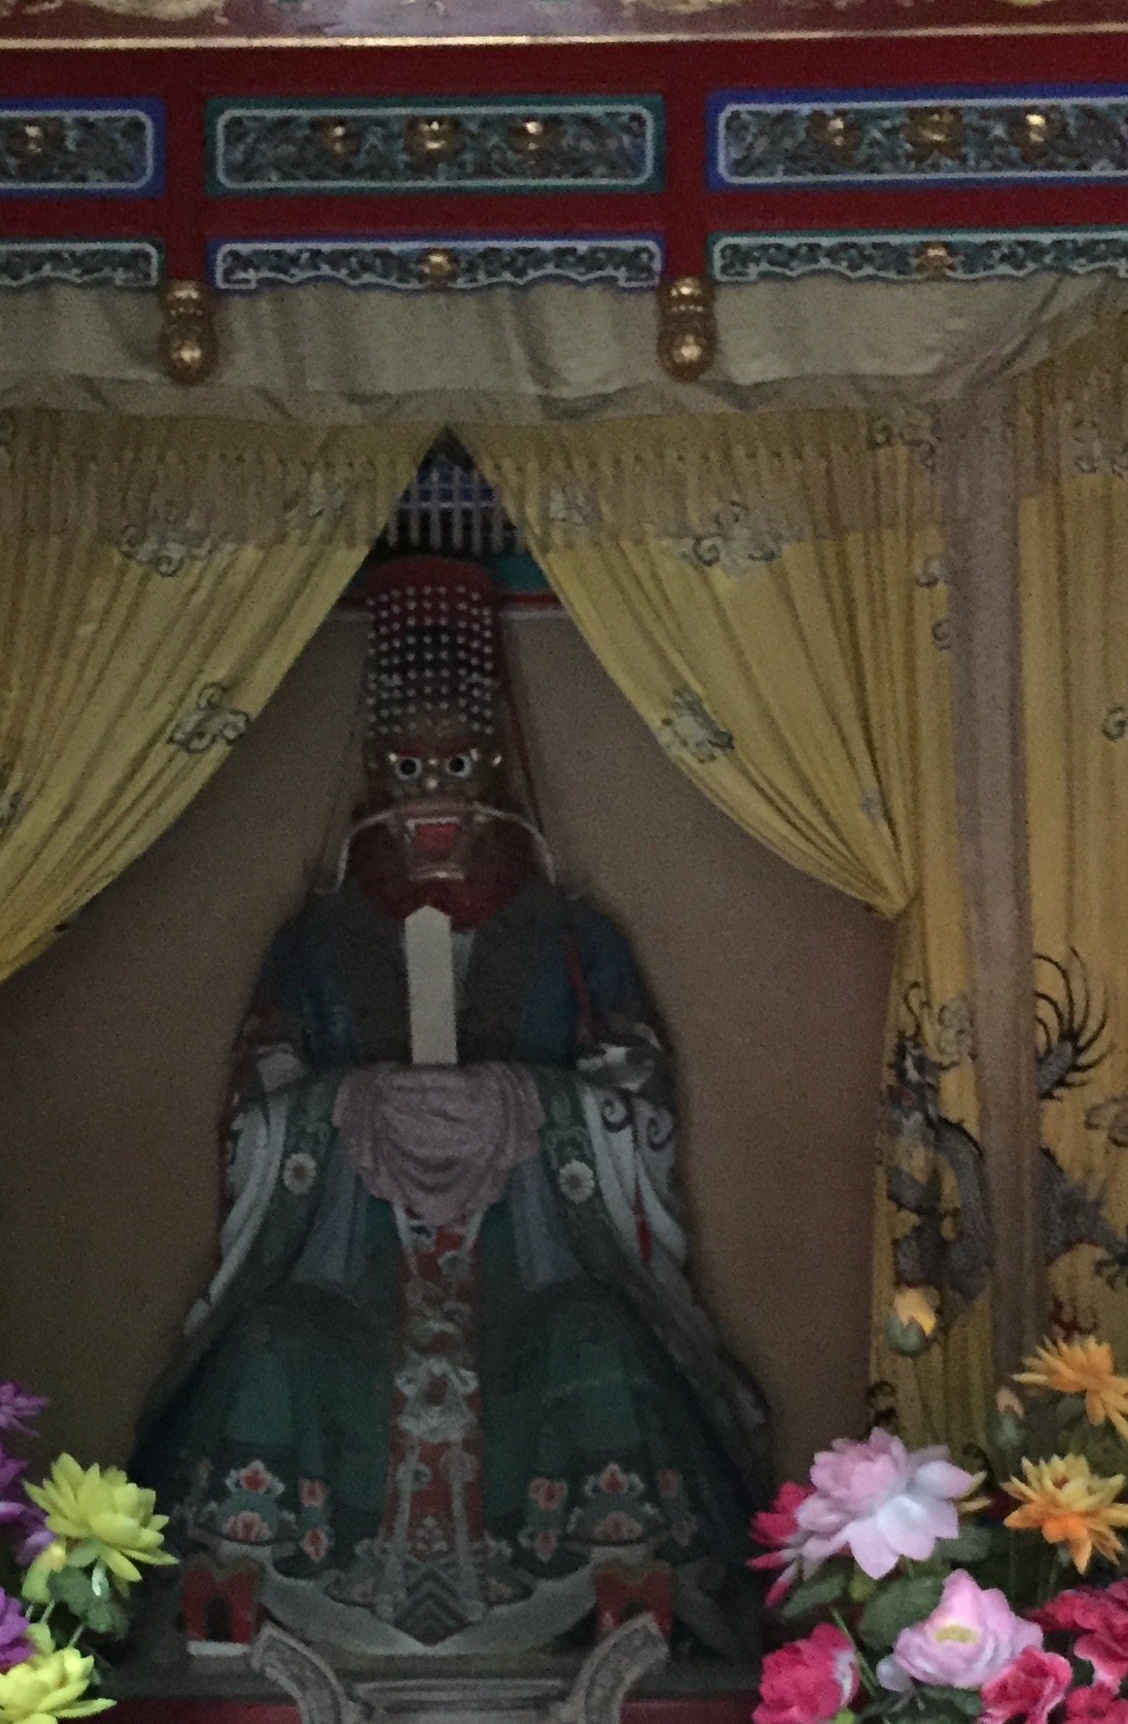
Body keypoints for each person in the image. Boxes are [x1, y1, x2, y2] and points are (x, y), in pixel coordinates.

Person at [134, 555, 767, 1659]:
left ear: (497, 772)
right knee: (273, 1343)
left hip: (536, 1248)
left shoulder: (570, 934)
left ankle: (620, 1596)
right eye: (410, 766)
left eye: (459, 764)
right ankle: (241, 1596)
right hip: (351, 1251)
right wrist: (350, 1103)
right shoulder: (321, 936)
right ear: (375, 775)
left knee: (597, 1336)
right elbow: (256, 1095)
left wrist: (528, 1103)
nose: (433, 791)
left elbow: (638, 1088)